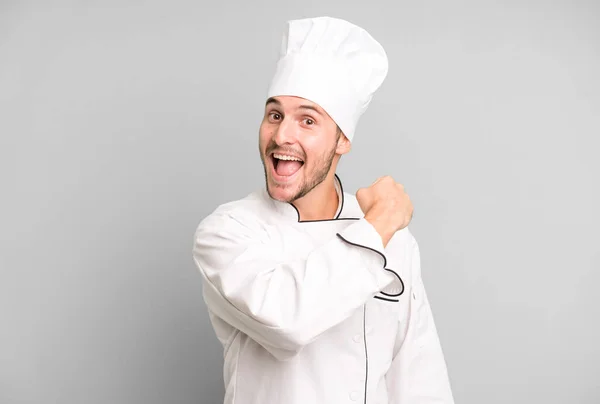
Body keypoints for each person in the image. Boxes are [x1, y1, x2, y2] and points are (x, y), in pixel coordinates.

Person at [192, 16, 454, 404]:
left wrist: (378, 228)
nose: (282, 135)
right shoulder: (228, 232)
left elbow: (418, 376)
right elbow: (286, 321)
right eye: (275, 115)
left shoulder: (395, 240)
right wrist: (377, 226)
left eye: (307, 120)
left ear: (342, 140)